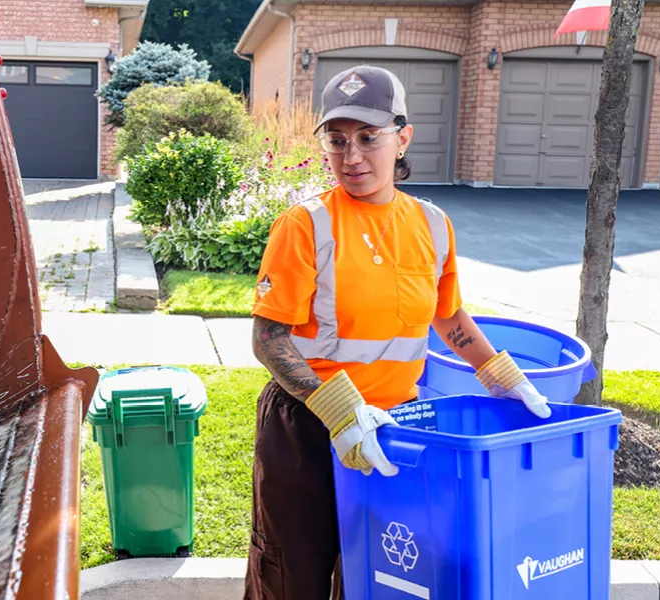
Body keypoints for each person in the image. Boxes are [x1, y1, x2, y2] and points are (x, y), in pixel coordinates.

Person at [243, 64, 551, 600]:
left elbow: (448, 316)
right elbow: (269, 340)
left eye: (369, 137)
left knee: (381, 577)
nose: (352, 156)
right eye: (337, 141)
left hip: (396, 429)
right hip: (307, 427)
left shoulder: (431, 224)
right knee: (293, 578)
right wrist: (339, 411)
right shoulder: (306, 224)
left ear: (402, 137)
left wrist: (499, 373)